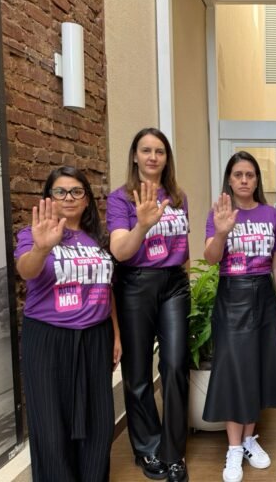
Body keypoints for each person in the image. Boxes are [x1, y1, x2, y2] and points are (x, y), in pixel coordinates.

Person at [15, 166, 120, 482]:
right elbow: (26, 271)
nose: (69, 197)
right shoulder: (33, 235)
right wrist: (42, 248)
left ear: (86, 199)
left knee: (98, 422)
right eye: (60, 191)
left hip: (95, 336)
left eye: (76, 191)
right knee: (51, 425)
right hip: (48, 338)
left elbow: (106, 288)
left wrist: (115, 335)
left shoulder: (98, 239)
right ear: (49, 197)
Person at [107, 128, 190, 482]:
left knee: (174, 364)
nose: (153, 157)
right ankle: (148, 447)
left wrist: (186, 277)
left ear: (167, 158)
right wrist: (141, 225)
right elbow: (119, 251)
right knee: (138, 372)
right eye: (146, 150)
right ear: (135, 156)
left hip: (174, 284)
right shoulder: (120, 198)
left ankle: (173, 451)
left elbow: (183, 247)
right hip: (136, 284)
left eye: (160, 151)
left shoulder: (177, 196)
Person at [203, 151, 276, 482]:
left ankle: (249, 439)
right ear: (229, 178)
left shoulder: (270, 213)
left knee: (257, 368)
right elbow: (211, 258)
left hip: (264, 296)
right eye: (238, 174)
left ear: (257, 180)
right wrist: (222, 232)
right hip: (232, 295)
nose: (244, 180)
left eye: (250, 175)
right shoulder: (220, 212)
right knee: (234, 371)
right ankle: (233, 448)